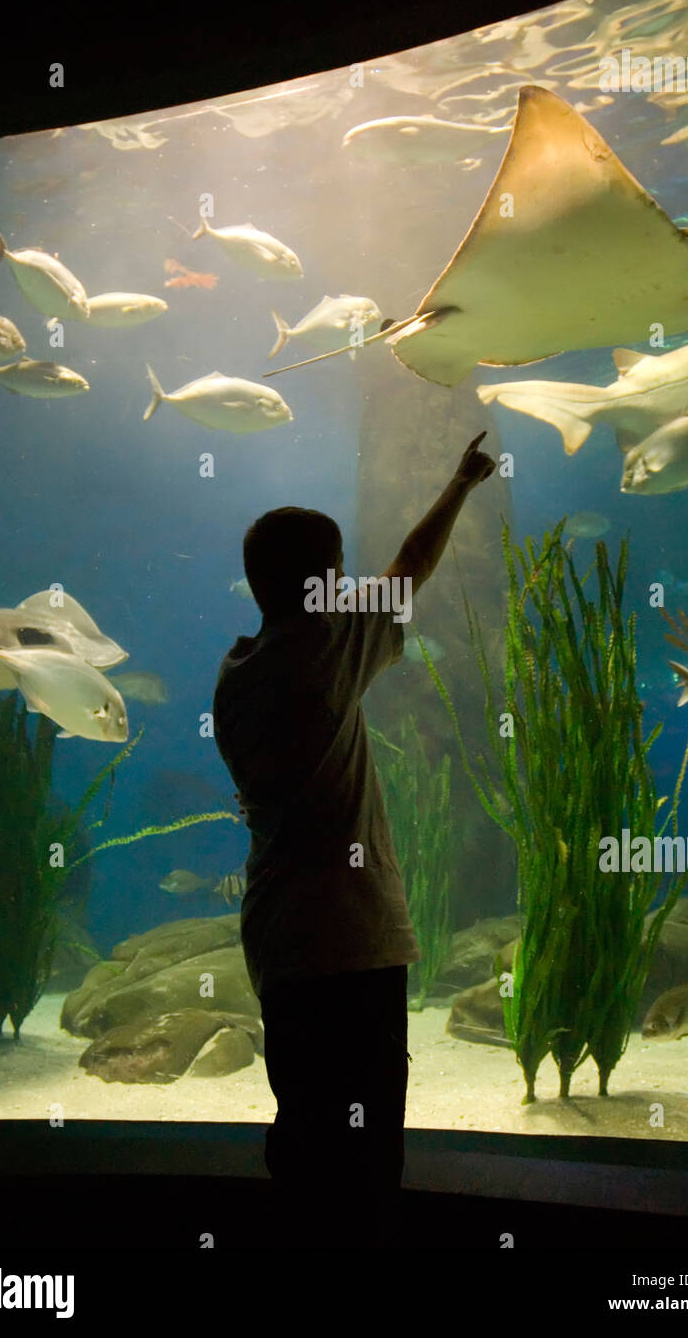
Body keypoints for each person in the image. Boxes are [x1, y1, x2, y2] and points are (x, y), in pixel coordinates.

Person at [213, 432, 496, 1247]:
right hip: (350, 935)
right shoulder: (328, 646)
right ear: (327, 583)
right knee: (368, 1139)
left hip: (281, 935)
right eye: (339, 572)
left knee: (301, 1123)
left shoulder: (238, 673)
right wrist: (461, 481)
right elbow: (410, 569)